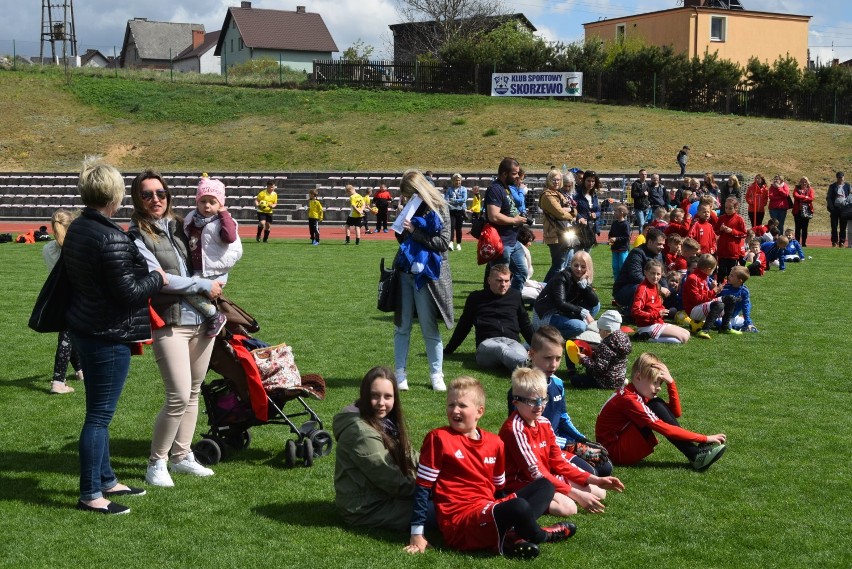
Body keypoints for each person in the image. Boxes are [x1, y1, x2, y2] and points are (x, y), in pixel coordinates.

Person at [63, 159, 166, 514]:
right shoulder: (109, 236)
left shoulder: (80, 227)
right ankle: (91, 493)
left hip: (86, 327)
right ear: (115, 194)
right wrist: (158, 278)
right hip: (106, 334)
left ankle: (106, 479)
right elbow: (129, 292)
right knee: (99, 417)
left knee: (98, 412)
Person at [406, 376, 575, 560]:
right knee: (519, 507)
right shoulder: (438, 438)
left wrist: (504, 509)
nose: (455, 410)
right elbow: (423, 487)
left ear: (479, 411)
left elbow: (499, 490)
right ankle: (542, 535)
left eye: (462, 406)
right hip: (461, 522)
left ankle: (512, 534)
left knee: (545, 486)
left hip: (487, 509)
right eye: (451, 405)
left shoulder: (494, 443)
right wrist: (417, 533)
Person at [129, 169, 223, 487]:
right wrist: (202, 283)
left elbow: (214, 256)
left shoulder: (182, 225)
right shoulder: (136, 235)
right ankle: (157, 462)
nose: (156, 199)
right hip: (168, 321)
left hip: (201, 321)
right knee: (178, 395)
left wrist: (218, 278)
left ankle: (182, 456)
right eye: (147, 194)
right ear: (137, 199)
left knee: (194, 392)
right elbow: (161, 279)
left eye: (160, 193)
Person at [501, 367, 624, 517]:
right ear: (516, 402)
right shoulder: (515, 430)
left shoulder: (544, 422)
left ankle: (563, 492)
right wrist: (576, 494)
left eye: (543, 398)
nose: (539, 405)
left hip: (545, 476)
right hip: (522, 482)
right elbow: (535, 473)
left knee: (600, 492)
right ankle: (517, 501)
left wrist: (595, 479)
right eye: (532, 401)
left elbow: (558, 460)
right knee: (568, 508)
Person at [595, 353, 727, 469]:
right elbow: (666, 428)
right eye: (655, 383)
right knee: (656, 407)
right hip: (614, 451)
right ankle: (695, 455)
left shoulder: (635, 393)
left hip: (619, 441)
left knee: (656, 403)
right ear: (638, 377)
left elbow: (675, 413)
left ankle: (695, 454)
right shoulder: (629, 399)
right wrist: (705, 438)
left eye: (660, 384)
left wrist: (671, 383)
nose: (659, 388)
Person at [333, 366, 419, 531]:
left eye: (388, 397)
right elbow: (391, 480)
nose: (381, 403)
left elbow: (409, 453)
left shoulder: (385, 422)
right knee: (441, 510)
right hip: (367, 508)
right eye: (374, 396)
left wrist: (438, 464)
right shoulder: (361, 433)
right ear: (365, 395)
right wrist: (430, 488)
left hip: (382, 496)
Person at [522, 326, 614, 475]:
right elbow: (529, 434)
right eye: (547, 358)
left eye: (558, 358)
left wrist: (582, 440)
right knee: (591, 474)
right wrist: (572, 446)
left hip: (560, 442)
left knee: (605, 467)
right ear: (532, 354)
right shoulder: (523, 389)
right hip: (541, 447)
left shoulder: (557, 383)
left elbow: (563, 417)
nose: (554, 364)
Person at [393, 170, 454, 392]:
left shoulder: (440, 207)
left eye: (410, 194)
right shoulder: (410, 206)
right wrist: (400, 224)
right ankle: (400, 374)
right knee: (402, 326)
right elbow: (401, 238)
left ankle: (436, 374)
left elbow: (443, 242)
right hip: (405, 271)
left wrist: (415, 231)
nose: (408, 199)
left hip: (428, 275)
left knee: (429, 327)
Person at [444, 264, 533, 373]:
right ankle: (530, 367)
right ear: (489, 280)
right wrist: (449, 349)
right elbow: (464, 325)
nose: (503, 284)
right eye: (499, 281)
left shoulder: (515, 296)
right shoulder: (476, 298)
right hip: (487, 344)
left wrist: (538, 347)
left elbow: (525, 324)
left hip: (512, 342)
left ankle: (525, 367)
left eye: (506, 281)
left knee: (519, 353)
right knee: (501, 349)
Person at [182, 177, 242, 338]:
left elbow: (230, 237)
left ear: (220, 204)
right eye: (203, 201)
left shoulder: (222, 221)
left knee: (186, 291)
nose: (207, 206)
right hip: (199, 269)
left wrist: (224, 213)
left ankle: (214, 315)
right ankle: (220, 321)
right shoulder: (193, 219)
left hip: (213, 270)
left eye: (212, 202)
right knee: (191, 292)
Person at [43, 208, 84, 394]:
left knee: (69, 335)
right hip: (74, 296)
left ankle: (80, 369)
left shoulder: (47, 249)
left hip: (58, 296)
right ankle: (58, 381)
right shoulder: (75, 248)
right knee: (67, 337)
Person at [533, 251, 600, 341]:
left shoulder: (583, 278)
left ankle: (577, 330)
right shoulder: (561, 277)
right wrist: (583, 312)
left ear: (588, 268)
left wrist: (585, 287)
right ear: (571, 264)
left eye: (583, 267)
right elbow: (560, 303)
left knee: (596, 306)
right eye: (576, 265)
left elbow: (594, 302)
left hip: (563, 312)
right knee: (579, 326)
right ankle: (549, 338)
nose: (579, 269)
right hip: (548, 314)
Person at [485, 157, 528, 290]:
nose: (517, 177)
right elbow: (494, 216)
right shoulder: (495, 189)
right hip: (501, 243)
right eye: (514, 173)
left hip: (513, 240)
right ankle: (496, 305)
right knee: (499, 278)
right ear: (504, 173)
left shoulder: (506, 188)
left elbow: (508, 210)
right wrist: (515, 220)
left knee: (522, 273)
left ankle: (512, 300)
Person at [631, 260, 691, 344]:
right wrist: (657, 314)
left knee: (687, 334)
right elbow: (635, 311)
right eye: (652, 273)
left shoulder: (656, 286)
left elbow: (656, 306)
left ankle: (647, 335)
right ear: (645, 272)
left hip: (658, 322)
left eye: (658, 274)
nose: (655, 277)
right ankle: (645, 337)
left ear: (661, 274)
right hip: (647, 326)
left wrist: (662, 311)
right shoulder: (642, 289)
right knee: (682, 339)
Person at [682, 254, 739, 339]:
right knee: (719, 304)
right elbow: (697, 299)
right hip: (693, 310)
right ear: (708, 269)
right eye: (714, 269)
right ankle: (704, 330)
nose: (714, 271)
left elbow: (705, 296)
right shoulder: (693, 278)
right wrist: (714, 291)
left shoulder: (703, 277)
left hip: (701, 305)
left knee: (731, 299)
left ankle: (725, 327)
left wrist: (714, 290)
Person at [612, 226, 667, 308]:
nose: (662, 247)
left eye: (663, 244)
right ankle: (630, 311)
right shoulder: (637, 253)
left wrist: (666, 288)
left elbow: (662, 275)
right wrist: (658, 288)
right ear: (650, 242)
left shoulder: (658, 254)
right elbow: (635, 276)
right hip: (625, 289)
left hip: (650, 286)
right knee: (640, 288)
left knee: (671, 290)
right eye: (659, 244)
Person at [539, 169, 577, 283]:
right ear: (549, 180)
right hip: (555, 234)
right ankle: (544, 288)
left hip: (564, 232)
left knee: (565, 264)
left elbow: (574, 210)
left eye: (558, 179)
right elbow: (559, 212)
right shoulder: (547, 195)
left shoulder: (559, 194)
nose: (556, 182)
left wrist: (571, 210)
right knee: (558, 265)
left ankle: (558, 288)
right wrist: (571, 213)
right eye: (554, 179)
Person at [715, 197, 746, 282]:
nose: (727, 210)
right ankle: (719, 287)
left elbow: (743, 233)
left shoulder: (739, 219)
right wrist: (720, 230)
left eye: (730, 208)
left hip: (733, 252)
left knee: (731, 272)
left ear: (736, 208)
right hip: (722, 251)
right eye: (726, 208)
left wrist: (732, 231)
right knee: (721, 272)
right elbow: (716, 231)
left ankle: (730, 287)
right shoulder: (721, 218)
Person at [718, 266, 758, 332]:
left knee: (751, 327)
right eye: (730, 274)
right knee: (725, 325)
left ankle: (741, 325)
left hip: (733, 317)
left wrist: (748, 321)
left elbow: (746, 307)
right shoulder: (724, 288)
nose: (728, 276)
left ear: (739, 280)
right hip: (720, 316)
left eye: (732, 275)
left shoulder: (744, 291)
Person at [517, 225, 545, 304]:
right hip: (520, 287)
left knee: (548, 285)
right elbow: (520, 278)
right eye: (529, 241)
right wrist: (536, 285)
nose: (530, 244)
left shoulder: (523, 252)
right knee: (547, 289)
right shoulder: (521, 254)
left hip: (524, 285)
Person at [574, 170, 601, 241]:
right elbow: (573, 209)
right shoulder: (577, 194)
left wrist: (595, 214)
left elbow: (598, 211)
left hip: (591, 228)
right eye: (588, 181)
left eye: (593, 181)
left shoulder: (594, 195)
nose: (591, 183)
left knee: (587, 251)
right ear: (584, 181)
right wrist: (580, 217)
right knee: (578, 251)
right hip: (579, 228)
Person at [444, 173, 468, 251]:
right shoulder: (449, 190)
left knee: (459, 228)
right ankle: (451, 242)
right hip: (451, 210)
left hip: (460, 210)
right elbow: (446, 200)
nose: (458, 182)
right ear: (453, 181)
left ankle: (458, 243)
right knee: (451, 227)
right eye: (456, 180)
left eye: (459, 180)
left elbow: (464, 199)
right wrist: (457, 201)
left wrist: (453, 200)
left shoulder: (464, 189)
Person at [826, 171, 850, 247]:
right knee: (834, 226)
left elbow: (850, 196)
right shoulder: (832, 186)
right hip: (835, 209)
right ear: (837, 178)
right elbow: (829, 197)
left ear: (844, 177)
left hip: (844, 209)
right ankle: (834, 241)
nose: (840, 179)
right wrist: (831, 208)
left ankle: (842, 242)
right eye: (839, 177)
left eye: (842, 177)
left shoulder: (847, 186)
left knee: (843, 226)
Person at [608, 204, 630, 280]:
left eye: (616, 211)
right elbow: (611, 233)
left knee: (622, 267)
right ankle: (617, 282)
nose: (614, 212)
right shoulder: (614, 223)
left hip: (623, 249)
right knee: (615, 267)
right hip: (615, 249)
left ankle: (624, 282)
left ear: (621, 213)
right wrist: (610, 238)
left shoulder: (626, 224)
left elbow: (626, 237)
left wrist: (616, 239)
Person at [791, 177, 814, 247]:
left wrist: (801, 198)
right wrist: (805, 197)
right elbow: (795, 195)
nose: (804, 183)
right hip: (797, 211)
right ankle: (797, 243)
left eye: (805, 182)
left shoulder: (810, 189)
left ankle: (804, 243)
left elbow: (812, 198)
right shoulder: (796, 189)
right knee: (797, 228)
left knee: (805, 228)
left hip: (806, 211)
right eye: (802, 182)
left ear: (807, 182)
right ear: (800, 182)